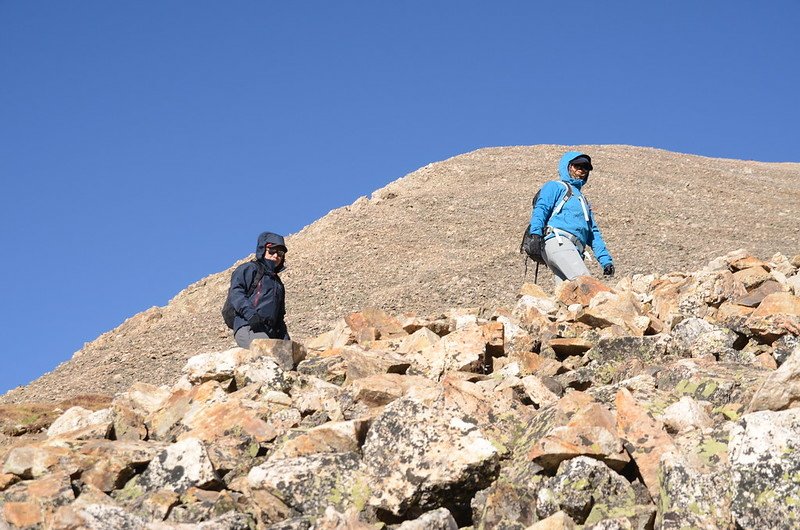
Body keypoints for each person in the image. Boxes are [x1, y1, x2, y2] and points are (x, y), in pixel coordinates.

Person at [525, 151, 614, 285]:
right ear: (567, 166)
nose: (581, 170)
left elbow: (593, 233)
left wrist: (605, 261)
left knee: (569, 297)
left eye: (585, 167)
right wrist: (535, 234)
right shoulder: (555, 186)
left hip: (574, 249)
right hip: (558, 241)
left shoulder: (582, 199)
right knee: (586, 284)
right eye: (577, 165)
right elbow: (541, 209)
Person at [229, 231, 290, 348]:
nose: (276, 255)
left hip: (269, 332)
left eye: (280, 252)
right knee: (267, 355)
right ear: (263, 249)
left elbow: (279, 316)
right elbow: (236, 293)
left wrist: (286, 342)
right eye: (271, 250)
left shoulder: (278, 284)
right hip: (248, 326)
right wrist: (251, 316)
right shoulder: (250, 269)